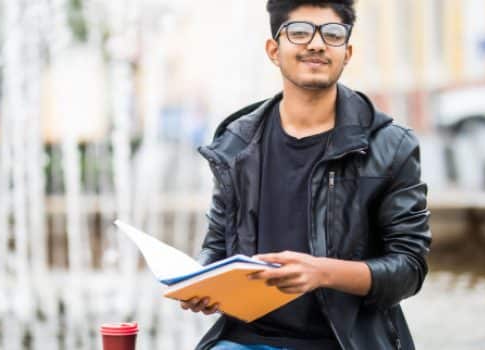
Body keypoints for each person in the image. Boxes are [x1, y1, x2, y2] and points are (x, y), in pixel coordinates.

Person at [180, 1, 432, 349]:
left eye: (332, 34)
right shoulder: (238, 143)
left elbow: (409, 268)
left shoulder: (391, 146)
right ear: (273, 49)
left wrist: (322, 272)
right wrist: (201, 284)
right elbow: (217, 247)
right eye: (299, 32)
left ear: (347, 52)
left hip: (343, 341)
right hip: (245, 339)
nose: (316, 44)